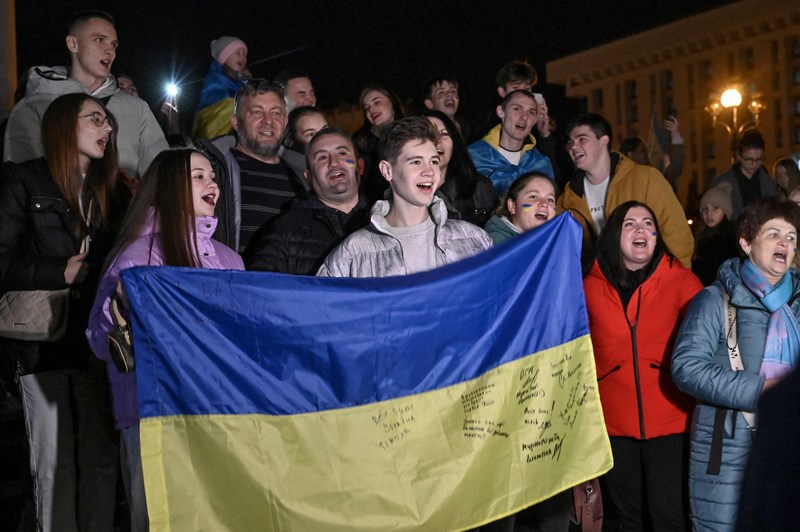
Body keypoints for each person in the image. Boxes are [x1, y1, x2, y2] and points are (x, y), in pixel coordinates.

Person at [86, 148, 243, 532]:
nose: (213, 185)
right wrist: (119, 303)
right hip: (156, 415)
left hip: (223, 413)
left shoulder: (230, 259)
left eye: (213, 177)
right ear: (169, 188)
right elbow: (98, 339)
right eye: (198, 177)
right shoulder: (137, 255)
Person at [0, 93, 131, 532]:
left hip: (97, 341)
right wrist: (60, 270)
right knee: (52, 462)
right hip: (41, 342)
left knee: (100, 458)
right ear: (62, 126)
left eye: (108, 121)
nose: (107, 129)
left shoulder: (114, 190)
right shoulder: (22, 181)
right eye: (95, 119)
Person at [672, 197, 800, 531]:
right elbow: (686, 367)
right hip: (727, 449)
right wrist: (763, 391)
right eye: (774, 233)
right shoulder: (715, 299)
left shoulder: (798, 305)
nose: (784, 243)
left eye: (791, 237)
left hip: (788, 444)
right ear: (746, 242)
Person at [584, 201, 702, 531]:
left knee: (669, 518)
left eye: (648, 223)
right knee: (625, 520)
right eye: (630, 224)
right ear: (613, 236)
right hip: (612, 427)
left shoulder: (684, 282)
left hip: (672, 424)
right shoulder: (588, 287)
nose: (641, 229)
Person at [318, 117, 491, 278]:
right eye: (416, 162)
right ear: (387, 171)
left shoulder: (473, 239)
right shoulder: (353, 254)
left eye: (434, 161)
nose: (429, 171)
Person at [3, 9, 167, 179]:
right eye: (99, 40)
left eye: (114, 44)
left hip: (122, 205)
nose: (110, 50)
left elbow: (162, 175)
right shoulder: (34, 106)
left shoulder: (137, 108)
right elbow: (19, 178)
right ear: (73, 44)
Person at [557, 112, 694, 273]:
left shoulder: (646, 179)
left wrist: (681, 282)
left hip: (651, 285)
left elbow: (678, 236)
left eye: (582, 139)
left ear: (604, 141)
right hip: (602, 290)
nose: (573, 147)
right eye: (570, 142)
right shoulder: (566, 201)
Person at [198, 79, 305, 253]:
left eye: (276, 113)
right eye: (257, 112)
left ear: (285, 122)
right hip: (235, 278)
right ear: (235, 122)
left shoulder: (303, 174)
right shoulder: (213, 172)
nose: (268, 121)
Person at [245, 127, 368, 275]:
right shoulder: (283, 231)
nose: (334, 163)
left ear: (360, 166)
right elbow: (261, 289)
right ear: (308, 177)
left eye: (342, 153)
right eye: (322, 157)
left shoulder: (385, 220)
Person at [467, 90, 554, 197]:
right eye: (517, 109)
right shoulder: (474, 156)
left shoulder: (540, 163)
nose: (524, 117)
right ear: (501, 111)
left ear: (535, 119)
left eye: (531, 112)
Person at [423, 109, 497, 226]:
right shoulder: (402, 192)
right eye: (429, 134)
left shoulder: (478, 187)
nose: (438, 140)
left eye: (444, 134)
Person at [352, 85, 405, 206]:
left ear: (392, 102)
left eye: (377, 102)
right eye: (366, 108)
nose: (371, 109)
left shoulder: (413, 131)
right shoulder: (361, 141)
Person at [709, 129, 776, 221]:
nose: (754, 164)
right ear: (739, 156)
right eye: (749, 160)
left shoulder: (768, 184)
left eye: (759, 159)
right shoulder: (722, 183)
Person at [191, 36, 249, 141]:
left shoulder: (241, 78)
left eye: (244, 54)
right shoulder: (216, 77)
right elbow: (212, 100)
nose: (243, 58)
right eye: (238, 53)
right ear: (224, 57)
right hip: (213, 122)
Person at [485, 172, 556, 244]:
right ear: (512, 206)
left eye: (550, 200)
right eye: (533, 197)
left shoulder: (557, 239)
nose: (544, 204)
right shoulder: (495, 244)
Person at [693, 182, 740, 286]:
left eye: (715, 208)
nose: (709, 214)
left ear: (725, 211)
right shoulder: (704, 235)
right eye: (705, 209)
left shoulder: (728, 241)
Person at [279, 106, 328, 183]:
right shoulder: (290, 178)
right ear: (291, 141)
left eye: (325, 130)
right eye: (311, 134)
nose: (323, 139)